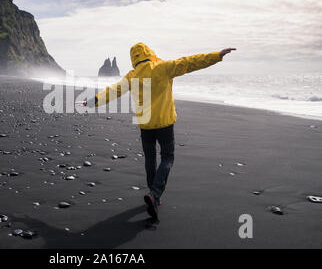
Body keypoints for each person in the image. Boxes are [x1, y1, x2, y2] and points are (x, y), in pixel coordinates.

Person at [83, 43, 236, 220]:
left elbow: (113, 91)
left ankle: (153, 194)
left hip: (145, 125)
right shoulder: (164, 67)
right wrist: (217, 55)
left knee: (150, 158)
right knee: (168, 157)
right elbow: (190, 62)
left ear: (134, 58)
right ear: (149, 53)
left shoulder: (132, 76)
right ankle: (155, 194)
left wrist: (93, 101)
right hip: (164, 124)